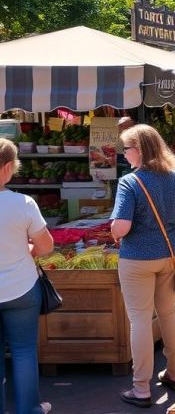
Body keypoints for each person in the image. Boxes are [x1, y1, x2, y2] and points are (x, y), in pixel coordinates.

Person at [109, 125, 175, 408]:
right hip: (170, 255)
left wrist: (113, 231)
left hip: (137, 260)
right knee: (169, 312)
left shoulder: (129, 182)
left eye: (127, 149)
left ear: (141, 150)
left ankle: (142, 388)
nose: (125, 156)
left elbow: (122, 227)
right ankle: (174, 373)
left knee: (140, 320)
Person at [0, 139, 54, 414]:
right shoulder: (23, 203)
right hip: (21, 289)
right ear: (7, 167)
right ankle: (29, 409)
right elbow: (46, 246)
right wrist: (28, 249)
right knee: (23, 352)